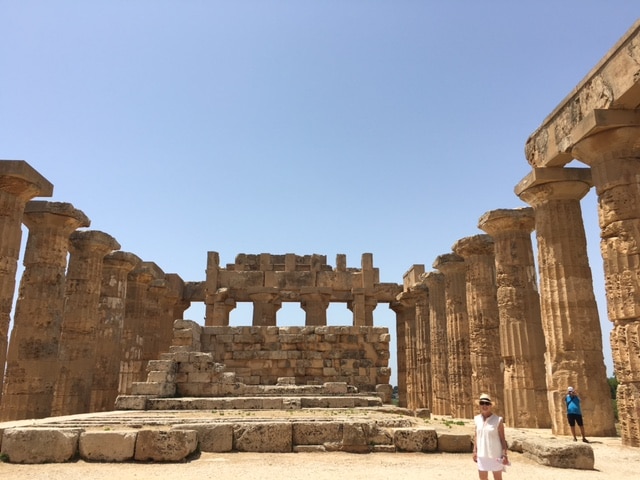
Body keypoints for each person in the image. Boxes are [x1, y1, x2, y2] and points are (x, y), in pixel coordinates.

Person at [473, 393, 509, 480]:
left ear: (490, 405)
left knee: (497, 478)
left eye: (487, 403)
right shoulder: (477, 419)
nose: (484, 405)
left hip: (495, 454)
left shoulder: (498, 420)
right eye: (482, 403)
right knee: (483, 478)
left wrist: (504, 454)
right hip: (482, 454)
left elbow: (502, 438)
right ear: (479, 405)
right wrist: (474, 451)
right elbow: (476, 435)